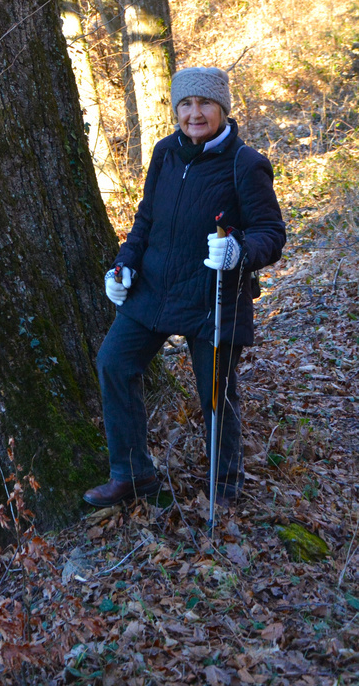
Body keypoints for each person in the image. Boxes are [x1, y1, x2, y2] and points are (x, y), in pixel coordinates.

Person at [84, 66, 286, 508]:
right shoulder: (164, 153)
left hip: (212, 295)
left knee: (215, 393)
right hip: (154, 288)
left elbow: (271, 233)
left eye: (205, 104)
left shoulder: (245, 163)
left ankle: (224, 487)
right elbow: (145, 221)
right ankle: (133, 475)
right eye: (186, 104)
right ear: (176, 109)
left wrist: (240, 251)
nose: (195, 113)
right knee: (114, 364)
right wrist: (123, 265)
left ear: (222, 109)